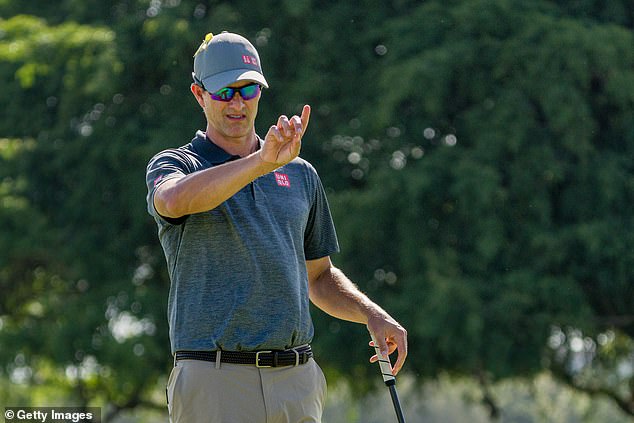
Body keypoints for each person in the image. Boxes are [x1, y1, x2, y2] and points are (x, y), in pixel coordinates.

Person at [146, 31, 407, 423]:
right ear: (199, 95)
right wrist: (262, 163)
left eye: (248, 90)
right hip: (215, 379)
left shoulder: (300, 173)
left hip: (295, 380)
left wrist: (369, 313)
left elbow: (318, 276)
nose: (237, 103)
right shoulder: (177, 164)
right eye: (224, 92)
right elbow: (172, 200)